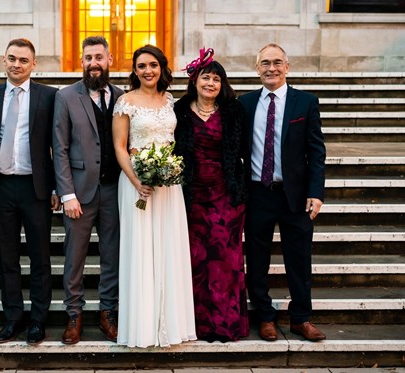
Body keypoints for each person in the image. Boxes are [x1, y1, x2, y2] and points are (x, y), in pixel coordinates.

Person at [239, 43, 327, 342]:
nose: (271, 68)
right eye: (265, 63)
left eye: (277, 62)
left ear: (287, 67)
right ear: (257, 68)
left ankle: (301, 318)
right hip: (257, 193)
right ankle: (265, 316)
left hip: (295, 195)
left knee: (299, 259)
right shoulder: (245, 104)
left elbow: (316, 151)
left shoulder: (305, 102)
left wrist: (316, 192)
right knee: (257, 258)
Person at [112, 44, 197, 348]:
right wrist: (137, 180)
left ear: (162, 67)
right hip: (138, 183)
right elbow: (120, 147)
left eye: (153, 65)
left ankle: (171, 324)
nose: (148, 70)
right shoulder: (125, 102)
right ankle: (143, 327)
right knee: (141, 249)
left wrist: (169, 169)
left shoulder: (169, 100)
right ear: (134, 71)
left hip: (169, 184)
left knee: (168, 249)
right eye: (141, 66)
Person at [0, 38, 60, 345]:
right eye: (12, 58)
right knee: (7, 257)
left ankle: (38, 320)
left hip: (35, 187)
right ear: (4, 60)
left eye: (23, 60)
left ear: (34, 64)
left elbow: (59, 144)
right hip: (1, 186)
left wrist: (57, 186)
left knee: (41, 257)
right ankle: (13, 317)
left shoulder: (49, 97)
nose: (17, 64)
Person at [174, 48, 249, 342]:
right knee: (194, 259)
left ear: (222, 84)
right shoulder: (178, 110)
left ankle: (225, 324)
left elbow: (243, 152)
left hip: (225, 195)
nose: (211, 84)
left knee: (225, 260)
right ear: (195, 80)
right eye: (206, 77)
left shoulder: (233, 111)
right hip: (190, 195)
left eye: (217, 79)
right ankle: (195, 324)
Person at [52, 36, 124, 344]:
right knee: (74, 257)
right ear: (81, 62)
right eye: (88, 58)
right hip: (79, 193)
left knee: (112, 256)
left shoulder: (123, 96)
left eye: (99, 57)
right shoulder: (66, 96)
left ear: (110, 60)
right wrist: (67, 194)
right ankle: (74, 314)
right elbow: (59, 147)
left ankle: (107, 311)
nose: (94, 62)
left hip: (114, 190)